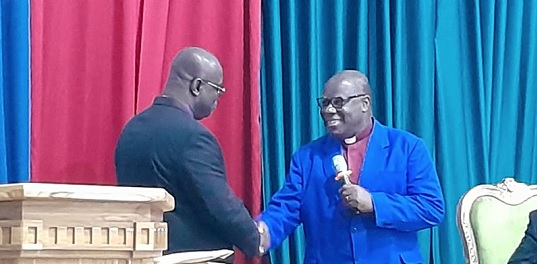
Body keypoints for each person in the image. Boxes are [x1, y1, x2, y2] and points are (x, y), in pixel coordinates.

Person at [257, 70, 445, 263]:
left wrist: (373, 203)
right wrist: (261, 232)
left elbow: (431, 208)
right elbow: (285, 209)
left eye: (338, 102)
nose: (328, 110)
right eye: (324, 103)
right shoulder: (307, 158)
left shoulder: (407, 147)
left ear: (365, 104)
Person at [114, 47, 261, 259]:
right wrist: (255, 239)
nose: (217, 100)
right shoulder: (195, 139)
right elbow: (222, 206)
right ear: (197, 86)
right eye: (218, 90)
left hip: (140, 255)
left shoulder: (131, 130)